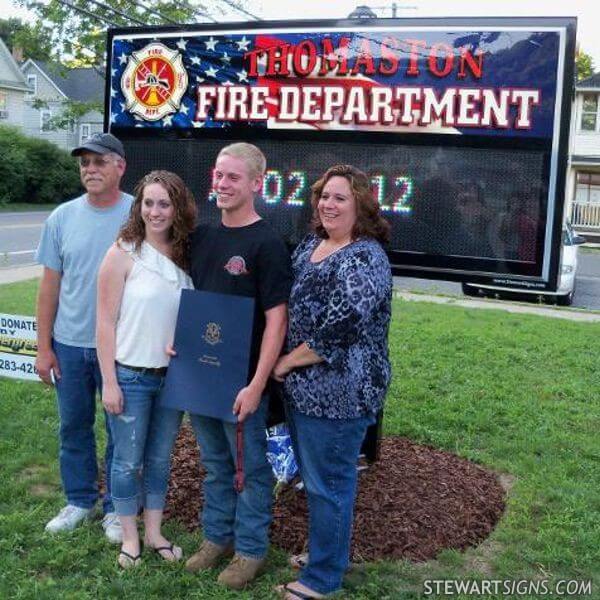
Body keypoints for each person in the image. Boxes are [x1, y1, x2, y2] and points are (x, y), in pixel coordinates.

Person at [272, 164, 393, 599]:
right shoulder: (312, 246)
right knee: (317, 482)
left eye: (340, 197)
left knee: (330, 485)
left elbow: (336, 332)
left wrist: (284, 363)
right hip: (305, 393)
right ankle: (326, 554)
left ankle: (322, 580)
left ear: (360, 204)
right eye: (324, 196)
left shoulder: (365, 257)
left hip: (342, 393)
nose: (328, 204)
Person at [183, 142, 292, 590]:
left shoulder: (267, 242)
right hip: (200, 380)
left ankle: (250, 551)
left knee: (250, 470)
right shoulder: (203, 238)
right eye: (218, 175)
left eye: (232, 177)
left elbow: (277, 320)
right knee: (214, 465)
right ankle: (216, 538)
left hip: (242, 384)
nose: (222, 184)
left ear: (255, 184)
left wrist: (257, 383)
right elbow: (194, 303)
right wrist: (180, 348)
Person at [96, 170, 196, 568]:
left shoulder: (188, 254)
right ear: (138, 207)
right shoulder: (123, 251)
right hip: (130, 376)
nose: (155, 211)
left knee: (159, 459)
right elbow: (104, 320)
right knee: (126, 461)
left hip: (172, 378)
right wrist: (109, 381)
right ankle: (130, 538)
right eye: (148, 203)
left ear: (178, 208)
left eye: (164, 204)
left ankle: (155, 532)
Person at [36, 132, 132, 542]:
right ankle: (80, 500)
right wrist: (43, 348)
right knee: (73, 426)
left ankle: (114, 508)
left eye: (99, 162)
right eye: (84, 163)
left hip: (123, 345)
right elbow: (49, 287)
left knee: (119, 430)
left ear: (119, 167)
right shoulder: (61, 218)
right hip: (70, 344)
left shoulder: (139, 214)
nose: (90, 170)